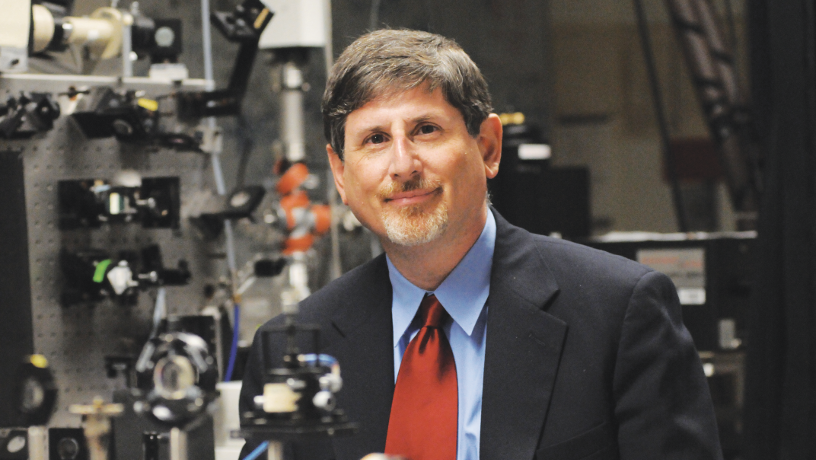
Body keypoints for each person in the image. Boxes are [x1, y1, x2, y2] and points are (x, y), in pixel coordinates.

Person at [239, 29, 722, 460]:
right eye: (375, 139)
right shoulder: (293, 347)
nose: (402, 165)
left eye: (425, 129)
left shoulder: (619, 315)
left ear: (488, 147)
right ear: (341, 175)